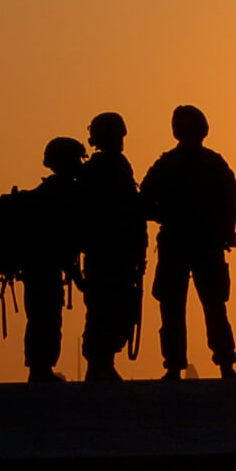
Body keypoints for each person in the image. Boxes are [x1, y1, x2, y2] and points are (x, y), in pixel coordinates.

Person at [141, 105, 236, 381]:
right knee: (206, 307)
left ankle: (180, 366)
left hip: (184, 244)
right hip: (199, 245)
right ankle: (221, 365)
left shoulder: (169, 164)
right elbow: (231, 202)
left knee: (189, 308)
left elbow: (144, 203)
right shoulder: (213, 163)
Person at [77, 112, 146, 383]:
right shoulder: (103, 169)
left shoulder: (109, 167)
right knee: (102, 308)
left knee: (115, 308)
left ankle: (104, 362)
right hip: (107, 252)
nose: (122, 140)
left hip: (116, 252)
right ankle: (98, 363)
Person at [12, 137, 87, 383]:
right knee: (46, 318)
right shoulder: (60, 195)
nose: (80, 165)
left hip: (40, 267)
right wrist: (78, 278)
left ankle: (40, 367)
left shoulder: (52, 192)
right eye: (76, 159)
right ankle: (40, 368)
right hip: (44, 268)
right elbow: (60, 242)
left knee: (42, 317)